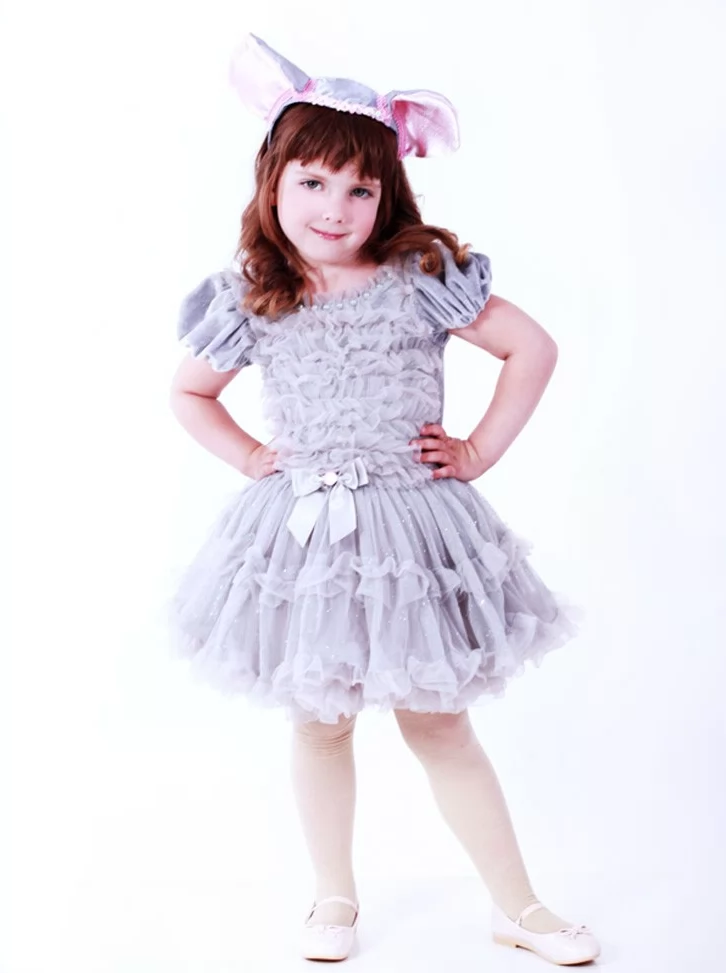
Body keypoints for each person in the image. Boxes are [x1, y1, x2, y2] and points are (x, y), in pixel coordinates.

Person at [168, 33, 601, 966]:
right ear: (272, 182)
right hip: (304, 537)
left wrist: (478, 448)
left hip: (414, 531)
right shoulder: (256, 294)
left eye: (360, 189)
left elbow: (532, 348)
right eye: (313, 182)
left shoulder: (419, 280)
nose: (336, 207)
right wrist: (252, 457)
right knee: (319, 720)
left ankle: (517, 903)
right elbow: (190, 393)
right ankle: (334, 896)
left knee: (438, 720)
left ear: (389, 193)